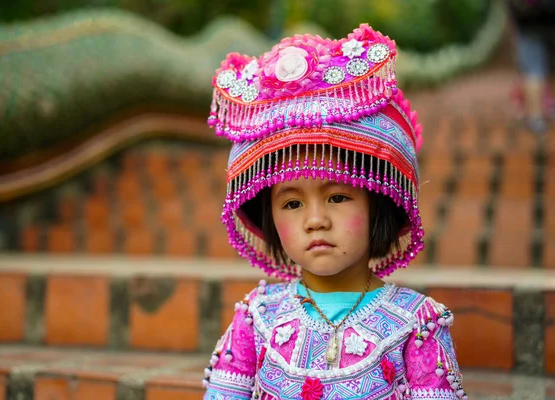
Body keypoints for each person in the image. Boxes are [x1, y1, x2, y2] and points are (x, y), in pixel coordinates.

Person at [202, 24, 466, 400]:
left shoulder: (417, 325)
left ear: (379, 201)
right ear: (269, 219)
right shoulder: (256, 318)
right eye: (292, 204)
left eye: (338, 198)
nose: (315, 220)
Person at [508, 0, 555, 134]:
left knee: (533, 70)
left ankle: (536, 117)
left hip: (528, 25)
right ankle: (548, 107)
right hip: (549, 23)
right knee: (548, 68)